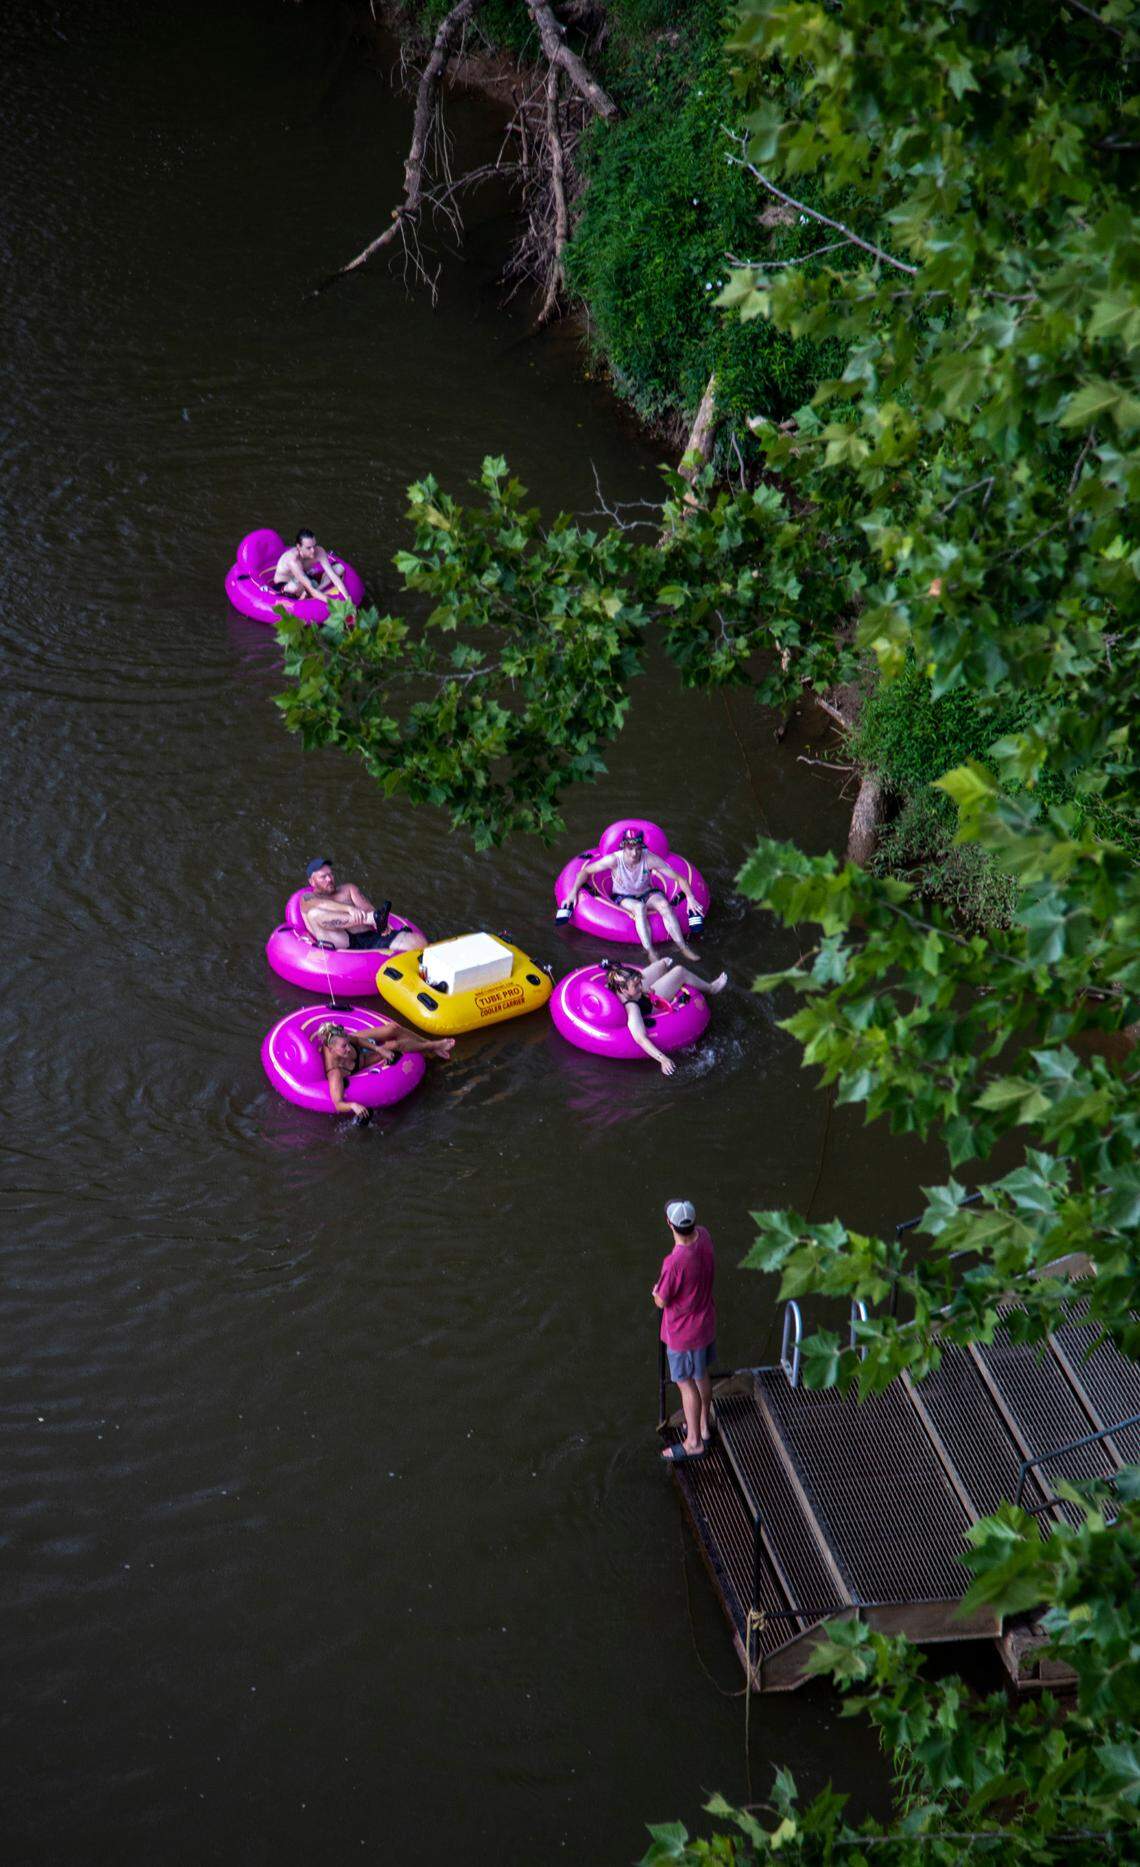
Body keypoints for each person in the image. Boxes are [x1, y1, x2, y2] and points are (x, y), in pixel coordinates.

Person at [562, 826, 704, 961]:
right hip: (624, 896)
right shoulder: (614, 859)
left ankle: (683, 947)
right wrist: (572, 893)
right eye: (630, 848)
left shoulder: (649, 859)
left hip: (646, 892)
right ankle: (650, 952)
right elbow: (585, 871)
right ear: (623, 846)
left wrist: (690, 898)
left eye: (637, 848)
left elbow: (679, 878)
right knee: (639, 908)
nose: (634, 853)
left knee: (664, 905)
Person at [654, 1200, 717, 1462]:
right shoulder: (704, 1236)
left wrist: (656, 1292)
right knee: (701, 1374)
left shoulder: (675, 1262)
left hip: (683, 1333)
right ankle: (702, 1426)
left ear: (670, 1224)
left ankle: (693, 1443)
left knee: (685, 1384)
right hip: (706, 1323)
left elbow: (662, 1299)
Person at [604, 958, 727, 1076]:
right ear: (622, 989)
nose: (640, 987)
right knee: (680, 971)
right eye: (636, 986)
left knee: (662, 965)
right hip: (649, 1004)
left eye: (639, 983)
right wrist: (662, 1059)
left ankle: (662, 971)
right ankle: (711, 988)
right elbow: (640, 1038)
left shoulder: (616, 986)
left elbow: (633, 985)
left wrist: (641, 989)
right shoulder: (632, 1007)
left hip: (638, 995)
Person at [316, 1020, 454, 1120]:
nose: (347, 1048)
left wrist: (378, 1048)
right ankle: (434, 1045)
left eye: (347, 1044)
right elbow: (338, 1104)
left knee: (393, 1028)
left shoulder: (342, 1039)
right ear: (331, 1049)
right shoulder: (335, 1072)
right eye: (344, 1046)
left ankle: (432, 1046)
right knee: (395, 1045)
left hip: (361, 1052)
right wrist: (353, 1106)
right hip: (362, 1062)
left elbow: (356, 1041)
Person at [300, 859, 423, 954]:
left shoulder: (348, 889)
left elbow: (369, 909)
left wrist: (383, 927)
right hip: (342, 945)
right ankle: (370, 918)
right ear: (312, 881)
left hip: (368, 938)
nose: (329, 879)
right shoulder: (307, 898)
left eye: (331, 875)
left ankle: (373, 919)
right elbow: (322, 904)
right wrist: (350, 909)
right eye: (323, 877)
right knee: (314, 914)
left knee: (418, 941)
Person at [273, 529, 351, 605]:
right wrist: (337, 604)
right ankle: (306, 595)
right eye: (308, 548)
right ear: (299, 547)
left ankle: (317, 589)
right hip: (285, 585)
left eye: (314, 546)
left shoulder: (319, 551)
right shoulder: (293, 560)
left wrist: (348, 600)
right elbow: (311, 590)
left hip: (305, 579)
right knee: (295, 585)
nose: (313, 550)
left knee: (339, 568)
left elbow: (333, 576)